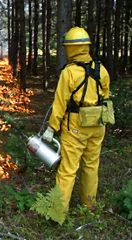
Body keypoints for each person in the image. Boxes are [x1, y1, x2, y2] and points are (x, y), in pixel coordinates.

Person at [42, 27, 110, 211]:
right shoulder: (101, 69)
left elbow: (60, 103)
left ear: (71, 49)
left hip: (76, 127)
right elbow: (105, 97)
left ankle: (58, 212)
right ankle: (88, 206)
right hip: (97, 125)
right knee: (91, 166)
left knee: (67, 170)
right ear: (86, 47)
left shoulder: (69, 73)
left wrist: (51, 128)